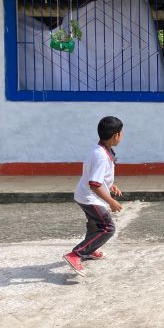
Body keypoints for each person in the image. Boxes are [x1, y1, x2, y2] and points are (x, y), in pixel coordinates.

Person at [63, 116, 124, 277]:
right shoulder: (101, 156)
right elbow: (94, 184)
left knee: (95, 225)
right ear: (116, 136)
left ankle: (90, 250)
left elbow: (99, 178)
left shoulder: (102, 150)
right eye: (121, 133)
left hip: (84, 195)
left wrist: (111, 186)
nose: (122, 136)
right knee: (108, 228)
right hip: (90, 198)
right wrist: (111, 202)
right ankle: (76, 254)